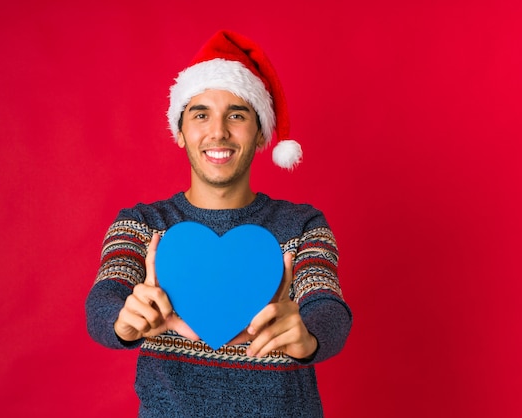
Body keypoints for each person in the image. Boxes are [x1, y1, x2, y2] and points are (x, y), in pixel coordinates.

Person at [85, 29, 352, 417]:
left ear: (261, 131)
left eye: (237, 115)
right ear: (180, 132)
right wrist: (122, 318)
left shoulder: (304, 226)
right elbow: (103, 301)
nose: (218, 131)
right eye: (200, 114)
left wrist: (308, 336)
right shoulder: (142, 225)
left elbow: (328, 307)